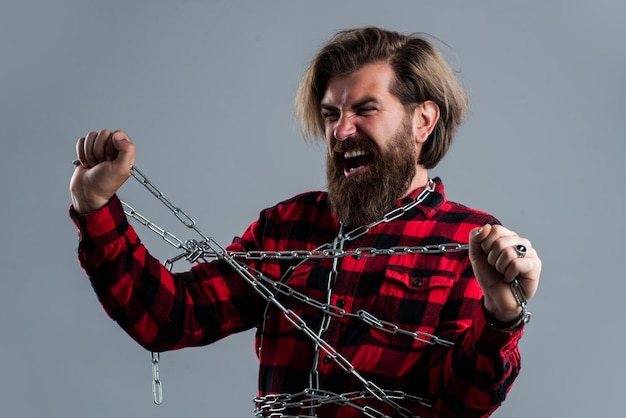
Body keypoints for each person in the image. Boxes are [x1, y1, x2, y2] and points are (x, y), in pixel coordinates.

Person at [69, 27, 542, 418]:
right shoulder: (290, 225)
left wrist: (502, 317)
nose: (340, 131)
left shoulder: (469, 244)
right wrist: (96, 205)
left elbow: (461, 402)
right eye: (332, 114)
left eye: (364, 109)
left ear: (422, 121)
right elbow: (173, 317)